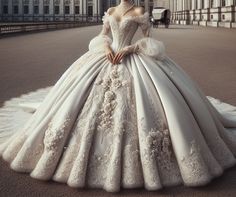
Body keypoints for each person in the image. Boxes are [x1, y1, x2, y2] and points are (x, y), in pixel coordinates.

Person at [0, 0, 236, 193]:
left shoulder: (139, 11)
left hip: (131, 57)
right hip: (106, 56)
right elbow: (102, 35)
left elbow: (149, 41)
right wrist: (106, 49)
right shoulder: (111, 10)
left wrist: (130, 48)